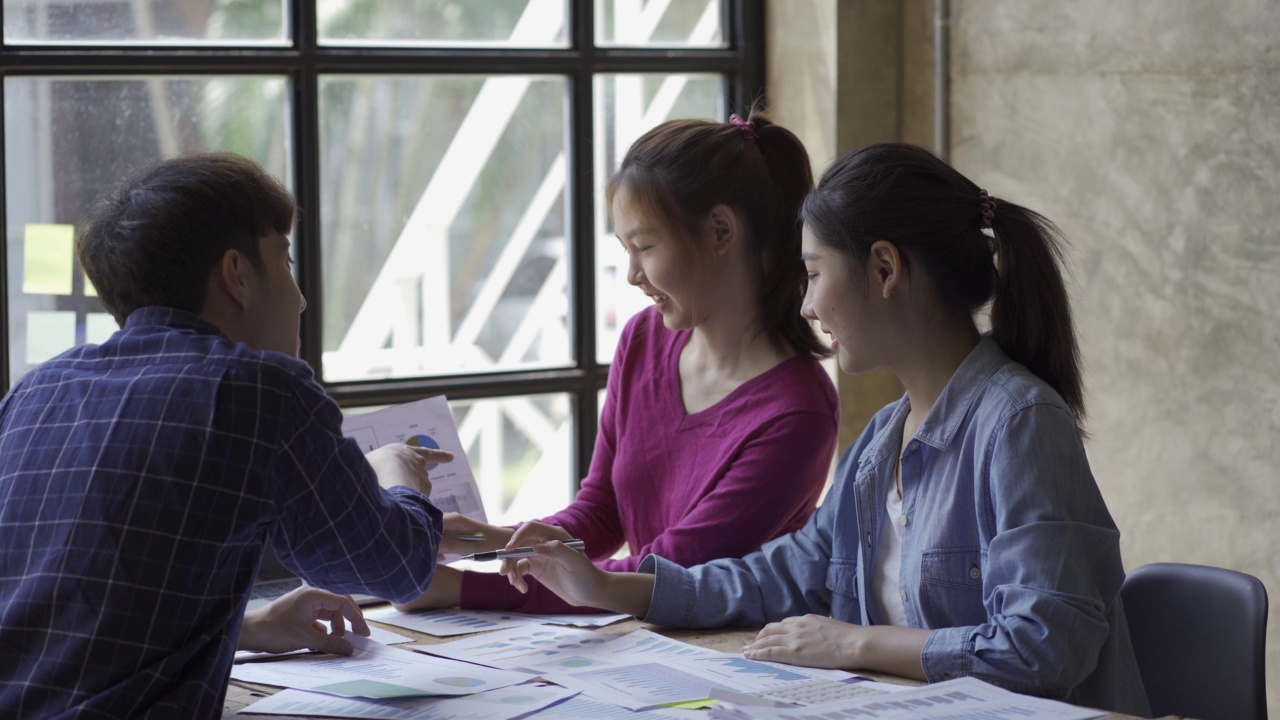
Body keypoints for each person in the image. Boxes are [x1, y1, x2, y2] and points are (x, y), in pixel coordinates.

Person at [494, 143, 1151, 715]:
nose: (807, 305)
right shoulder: (880, 444)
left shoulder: (1020, 425)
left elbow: (1044, 646)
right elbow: (785, 574)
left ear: (885, 269)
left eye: (813, 274)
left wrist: (854, 643)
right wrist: (609, 588)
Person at [0, 152, 449, 719]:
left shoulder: (37, 391)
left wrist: (243, 628)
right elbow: (393, 569)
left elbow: (66, 601)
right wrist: (399, 477)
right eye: (284, 261)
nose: (301, 297)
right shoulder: (258, 390)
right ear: (236, 274)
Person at [396, 112, 839, 614]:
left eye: (644, 247)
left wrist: (459, 588)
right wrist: (489, 541)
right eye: (624, 249)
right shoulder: (643, 339)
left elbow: (669, 570)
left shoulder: (797, 412)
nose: (631, 274)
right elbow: (601, 513)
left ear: (720, 231)